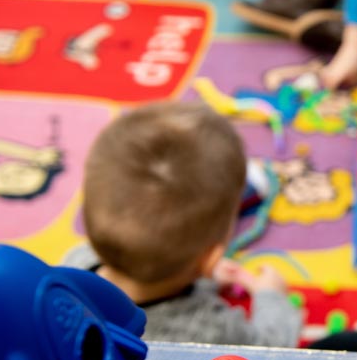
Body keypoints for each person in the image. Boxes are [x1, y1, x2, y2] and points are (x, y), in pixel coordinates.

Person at [63, 101, 303, 347]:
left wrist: (202, 274)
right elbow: (272, 348)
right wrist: (271, 296)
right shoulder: (212, 330)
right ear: (210, 258)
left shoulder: (73, 267)